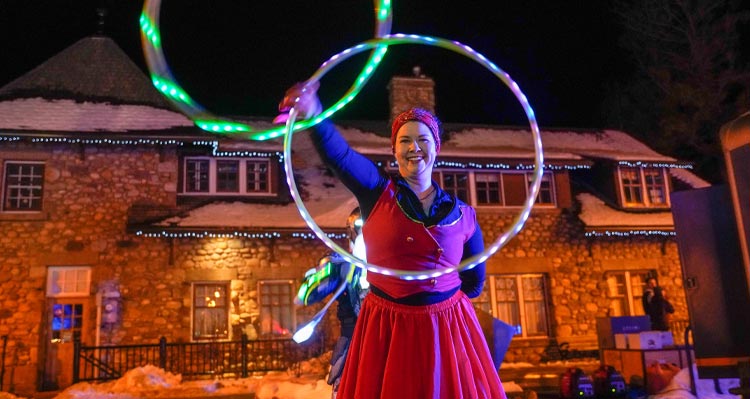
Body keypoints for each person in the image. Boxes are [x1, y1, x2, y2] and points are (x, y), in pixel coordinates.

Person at [277, 82, 506, 399]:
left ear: (436, 147)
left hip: (445, 329)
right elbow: (339, 156)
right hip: (387, 326)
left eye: (423, 139)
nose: (415, 147)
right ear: (394, 150)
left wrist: (438, 302)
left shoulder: (464, 215)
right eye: (405, 140)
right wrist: (314, 111)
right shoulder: (377, 191)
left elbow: (474, 283)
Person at [295, 207, 368, 398]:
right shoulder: (343, 265)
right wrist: (327, 270)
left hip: (390, 343)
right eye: (361, 227)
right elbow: (306, 295)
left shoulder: (394, 266)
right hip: (353, 343)